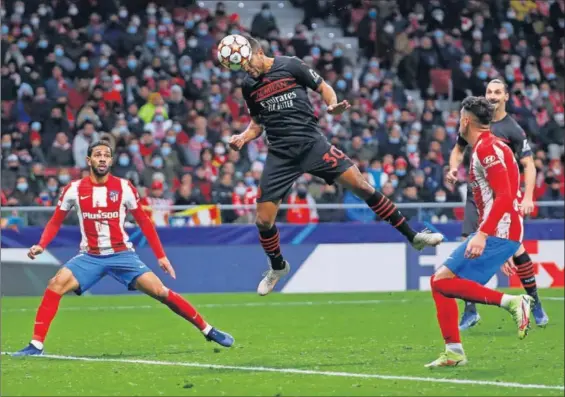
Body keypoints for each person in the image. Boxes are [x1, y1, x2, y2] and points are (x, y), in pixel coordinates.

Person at [228, 36, 444, 296]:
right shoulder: (249, 85)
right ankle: (278, 267)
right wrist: (243, 136)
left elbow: (322, 86)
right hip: (281, 155)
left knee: (363, 187)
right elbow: (256, 123)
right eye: (241, 66)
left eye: (247, 62)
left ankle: (413, 236)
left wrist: (332, 105)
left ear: (259, 51)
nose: (247, 69)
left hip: (312, 145)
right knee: (263, 221)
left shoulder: (291, 65)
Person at [12, 141, 233, 357]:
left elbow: (145, 222)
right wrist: (41, 245)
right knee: (55, 284)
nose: (102, 158)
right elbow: (55, 221)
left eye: (106, 155)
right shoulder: (74, 189)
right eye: (97, 155)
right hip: (90, 256)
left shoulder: (125, 187)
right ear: (89, 160)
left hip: (122, 255)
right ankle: (36, 345)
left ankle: (207, 329)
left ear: (111, 160)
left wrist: (161, 256)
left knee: (161, 292)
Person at [426, 96, 534, 368]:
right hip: (502, 232)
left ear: (465, 121)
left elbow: (505, 195)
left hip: (498, 231)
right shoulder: (487, 147)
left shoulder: (487, 149)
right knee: (440, 283)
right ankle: (453, 351)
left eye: (458, 118)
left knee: (440, 282)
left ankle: (512, 302)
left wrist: (484, 234)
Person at [446, 79, 548, 330]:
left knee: (516, 250)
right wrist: (452, 167)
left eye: (497, 92)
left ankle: (534, 301)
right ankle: (470, 310)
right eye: (489, 91)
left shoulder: (512, 129)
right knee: (469, 246)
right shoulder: (475, 122)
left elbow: (528, 164)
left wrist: (527, 196)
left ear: (505, 98)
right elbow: (458, 149)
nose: (492, 96)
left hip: (501, 198)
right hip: (476, 196)